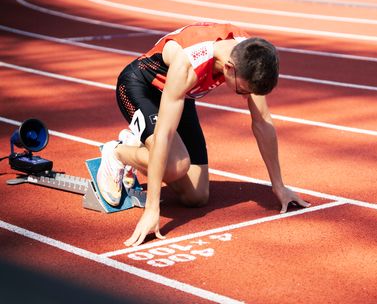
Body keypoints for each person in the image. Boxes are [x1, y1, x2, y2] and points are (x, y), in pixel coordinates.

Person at [96, 22, 310, 246]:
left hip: (181, 95)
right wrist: (152, 209)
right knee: (175, 165)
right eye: (242, 91)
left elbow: (262, 122)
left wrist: (279, 186)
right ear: (228, 67)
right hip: (142, 88)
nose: (245, 96)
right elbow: (165, 135)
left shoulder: (250, 55)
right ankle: (117, 153)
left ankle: (140, 149)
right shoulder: (187, 64)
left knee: (196, 197)